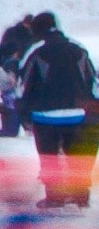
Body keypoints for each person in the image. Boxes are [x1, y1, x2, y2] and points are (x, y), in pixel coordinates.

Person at [13, 13, 97, 207]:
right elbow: (92, 81)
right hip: (77, 114)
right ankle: (80, 195)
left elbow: (23, 86)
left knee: (49, 157)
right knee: (76, 156)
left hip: (45, 116)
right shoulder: (79, 49)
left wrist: (24, 114)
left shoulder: (35, 50)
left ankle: (55, 196)